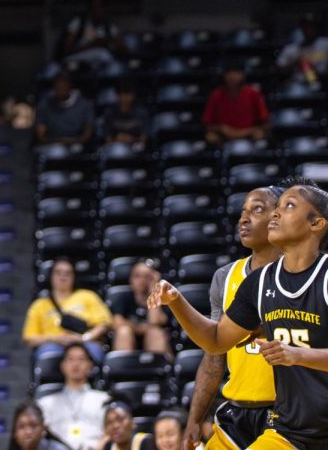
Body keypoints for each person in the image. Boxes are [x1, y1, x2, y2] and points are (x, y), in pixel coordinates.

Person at [149, 183, 328, 449]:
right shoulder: (259, 282)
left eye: (288, 206)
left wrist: (298, 355)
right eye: (276, 208)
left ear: (317, 223)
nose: (277, 214)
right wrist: (176, 300)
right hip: (290, 428)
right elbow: (216, 340)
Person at [183, 185, 284, 450]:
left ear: (279, 216)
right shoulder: (225, 277)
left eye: (257, 209)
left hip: (287, 413)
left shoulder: (307, 273)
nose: (244, 219)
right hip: (236, 414)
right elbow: (214, 355)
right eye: (243, 212)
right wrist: (195, 419)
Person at [23, 258, 112, 362]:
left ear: (74, 276)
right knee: (47, 352)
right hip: (54, 345)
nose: (63, 277)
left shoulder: (88, 296)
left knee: (94, 350)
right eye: (58, 273)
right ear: (51, 276)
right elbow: (29, 338)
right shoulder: (39, 304)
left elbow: (104, 323)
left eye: (67, 273)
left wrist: (85, 338)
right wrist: (55, 339)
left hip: (83, 343)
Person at [37, 344, 111, 450]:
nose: (76, 364)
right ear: (63, 365)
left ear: (90, 365)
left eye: (81, 359)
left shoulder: (103, 399)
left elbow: (111, 432)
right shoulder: (46, 403)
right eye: (70, 359)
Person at [110, 260, 171, 356]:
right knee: (123, 332)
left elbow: (154, 322)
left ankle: (156, 369)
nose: (142, 280)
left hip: (153, 343)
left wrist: (154, 291)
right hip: (130, 340)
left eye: (147, 276)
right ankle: (123, 369)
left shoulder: (164, 299)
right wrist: (142, 328)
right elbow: (117, 323)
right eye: (137, 276)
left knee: (155, 333)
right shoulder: (123, 298)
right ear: (131, 279)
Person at [203, 65, 270, 145]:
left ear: (243, 75)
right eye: (229, 73)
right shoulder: (216, 95)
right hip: (224, 135)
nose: (232, 76)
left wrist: (251, 130)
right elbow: (207, 124)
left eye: (236, 73)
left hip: (249, 134)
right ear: (224, 75)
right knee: (211, 136)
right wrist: (222, 129)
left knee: (259, 134)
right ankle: (220, 155)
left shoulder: (253, 93)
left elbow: (265, 121)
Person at [35, 72, 95, 146]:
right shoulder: (44, 105)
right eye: (57, 87)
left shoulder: (84, 105)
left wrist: (72, 141)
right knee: (57, 152)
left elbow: (87, 134)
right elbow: (41, 135)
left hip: (78, 144)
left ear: (70, 86)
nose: (60, 90)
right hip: (52, 145)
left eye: (63, 86)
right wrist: (59, 141)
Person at [276, 14, 328, 83]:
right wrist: (295, 64)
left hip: (323, 82)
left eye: (311, 26)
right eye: (306, 27)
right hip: (300, 85)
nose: (309, 29)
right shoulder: (292, 48)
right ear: (301, 28)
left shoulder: (325, 43)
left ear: (317, 27)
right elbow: (279, 68)